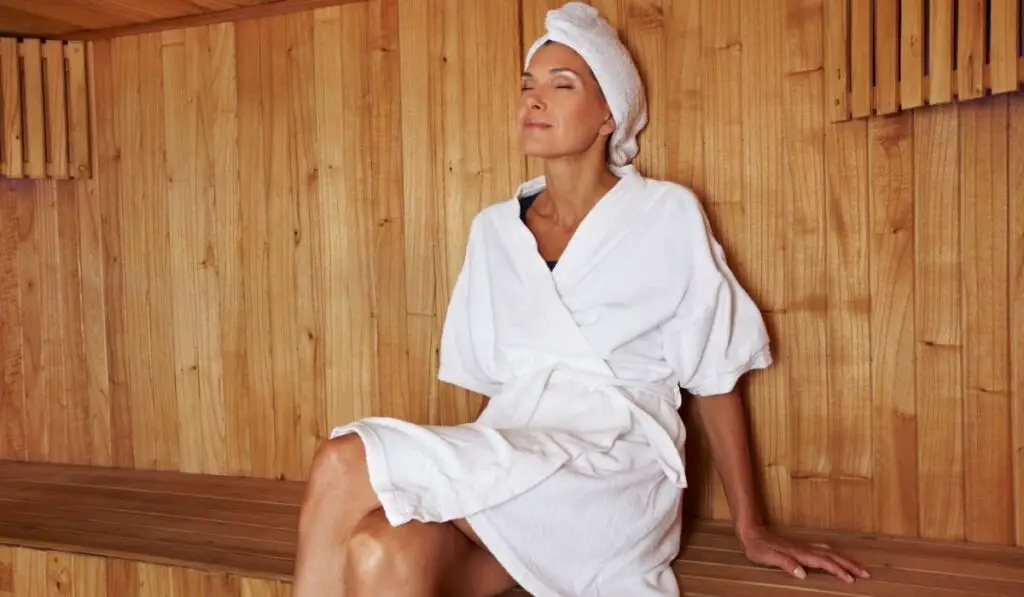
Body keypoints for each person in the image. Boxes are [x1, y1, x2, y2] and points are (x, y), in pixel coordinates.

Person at [292, 3, 871, 596]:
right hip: (523, 454)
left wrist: (751, 526)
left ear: (608, 117)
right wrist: (472, 478)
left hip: (617, 471)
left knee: (344, 460)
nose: (533, 100)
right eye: (527, 85)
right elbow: (491, 384)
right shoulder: (494, 230)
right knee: (381, 551)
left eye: (560, 85)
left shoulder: (664, 213)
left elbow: (715, 377)